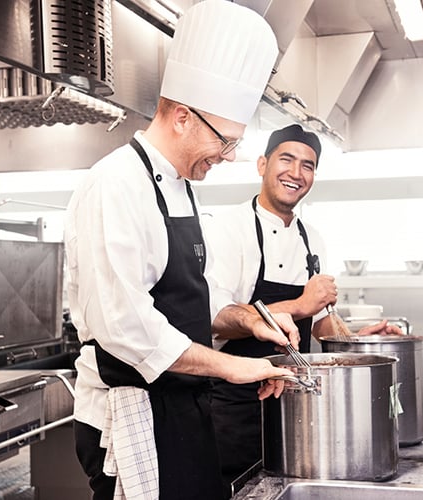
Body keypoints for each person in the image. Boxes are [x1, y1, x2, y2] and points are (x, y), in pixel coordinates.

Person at [63, 2, 298, 499]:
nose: (229, 156)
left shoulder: (182, 186)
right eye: (226, 141)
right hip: (131, 412)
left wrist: (250, 320)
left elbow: (189, 303)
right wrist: (232, 366)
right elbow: (125, 325)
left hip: (183, 403)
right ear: (183, 117)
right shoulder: (115, 184)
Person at [204, 124, 402, 493]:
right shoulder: (227, 229)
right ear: (262, 164)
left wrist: (357, 342)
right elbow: (215, 321)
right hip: (235, 405)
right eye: (286, 160)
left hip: (295, 404)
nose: (296, 173)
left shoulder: (313, 238)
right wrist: (299, 304)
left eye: (308, 165)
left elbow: (320, 323)